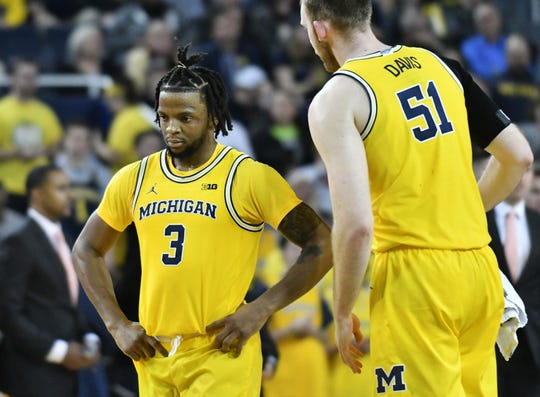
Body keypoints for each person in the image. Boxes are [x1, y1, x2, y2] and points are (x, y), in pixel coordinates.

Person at [299, 0, 534, 395]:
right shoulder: (439, 64)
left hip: (415, 278)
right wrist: (458, 215)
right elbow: (519, 156)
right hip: (478, 266)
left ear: (320, 29)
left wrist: (341, 312)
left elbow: (356, 226)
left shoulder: (337, 96)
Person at [71, 44, 332, 397]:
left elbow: (322, 241)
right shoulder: (133, 178)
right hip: (155, 353)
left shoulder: (248, 176)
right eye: (163, 117)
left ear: (213, 117)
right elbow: (86, 249)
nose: (171, 128)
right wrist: (116, 324)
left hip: (220, 351)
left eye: (185, 118)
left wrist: (262, 308)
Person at [0, 164, 101, 396]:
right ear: (38, 194)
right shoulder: (18, 242)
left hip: (66, 371)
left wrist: (87, 336)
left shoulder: (63, 237)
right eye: (61, 189)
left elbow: (69, 301)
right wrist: (59, 351)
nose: (69, 195)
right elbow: (7, 314)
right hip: (30, 372)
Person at [486, 165, 540, 396]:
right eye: (513, 168)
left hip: (533, 350)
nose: (519, 176)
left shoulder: (537, 222)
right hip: (489, 344)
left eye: (527, 170)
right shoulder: (477, 222)